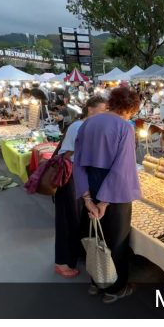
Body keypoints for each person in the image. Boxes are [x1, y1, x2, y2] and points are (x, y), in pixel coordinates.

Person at [73, 85, 142, 302]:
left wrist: (87, 198)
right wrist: (104, 202)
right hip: (113, 192)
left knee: (94, 237)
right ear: (130, 108)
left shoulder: (88, 123)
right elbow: (122, 168)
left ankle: (95, 282)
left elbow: (78, 164)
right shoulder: (125, 127)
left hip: (90, 185)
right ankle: (114, 289)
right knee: (116, 241)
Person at [53, 95, 106, 279]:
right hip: (70, 179)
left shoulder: (87, 126)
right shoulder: (78, 126)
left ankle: (73, 256)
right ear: (90, 109)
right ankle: (62, 263)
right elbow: (67, 155)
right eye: (101, 110)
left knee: (76, 220)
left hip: (78, 178)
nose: (104, 115)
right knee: (68, 221)